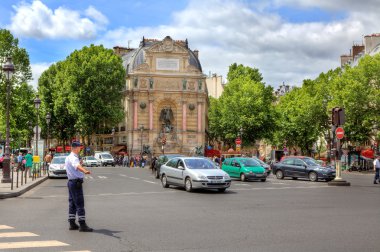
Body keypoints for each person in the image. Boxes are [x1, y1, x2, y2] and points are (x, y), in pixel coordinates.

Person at [65, 141, 93, 232]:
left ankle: (72, 223)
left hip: (71, 182)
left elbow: (75, 166)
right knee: (80, 203)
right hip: (76, 183)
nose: (80, 149)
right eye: (79, 147)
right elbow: (76, 166)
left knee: (72, 203)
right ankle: (82, 224)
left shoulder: (68, 157)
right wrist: (84, 171)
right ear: (75, 148)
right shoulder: (73, 157)